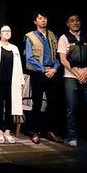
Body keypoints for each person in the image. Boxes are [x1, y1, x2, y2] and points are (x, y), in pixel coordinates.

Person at [58, 14, 87, 147]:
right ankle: (72, 137)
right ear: (67, 24)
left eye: (77, 20)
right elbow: (63, 59)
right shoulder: (64, 38)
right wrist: (77, 74)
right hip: (71, 76)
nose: (75, 23)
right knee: (72, 108)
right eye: (72, 21)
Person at [24, 11, 62, 144]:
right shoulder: (30, 36)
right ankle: (36, 131)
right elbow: (29, 57)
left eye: (45, 18)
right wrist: (43, 70)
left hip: (52, 72)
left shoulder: (53, 35)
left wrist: (54, 69)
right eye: (40, 18)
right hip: (38, 73)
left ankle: (50, 130)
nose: (43, 20)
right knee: (37, 103)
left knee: (53, 102)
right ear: (35, 21)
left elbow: (59, 55)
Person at [0, 25, 24, 144]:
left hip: (12, 82)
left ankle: (7, 132)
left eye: (9, 31)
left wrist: (21, 81)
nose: (7, 33)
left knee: (10, 107)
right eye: (4, 31)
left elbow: (19, 66)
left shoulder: (14, 48)